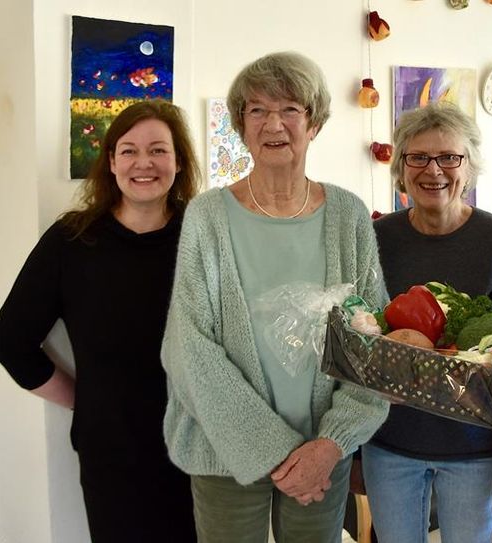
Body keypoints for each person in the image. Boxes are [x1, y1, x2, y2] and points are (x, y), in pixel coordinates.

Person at [160, 51, 390, 543]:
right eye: (257, 110)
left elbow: (374, 343)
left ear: (316, 122)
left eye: (290, 109)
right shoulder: (207, 218)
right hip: (224, 450)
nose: (274, 124)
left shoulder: (348, 215)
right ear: (241, 124)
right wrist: (274, 451)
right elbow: (188, 347)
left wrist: (332, 442)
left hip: (322, 446)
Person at [0, 99, 200, 542]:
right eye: (128, 150)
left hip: (201, 448)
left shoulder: (204, 238)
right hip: (111, 452)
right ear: (111, 161)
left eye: (159, 150)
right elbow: (10, 342)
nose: (144, 163)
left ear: (179, 162)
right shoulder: (71, 241)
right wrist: (83, 399)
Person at [361, 102, 492, 543]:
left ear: (469, 166)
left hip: (474, 447)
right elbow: (358, 326)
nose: (434, 170)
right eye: (418, 157)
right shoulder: (377, 238)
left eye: (449, 157)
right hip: (390, 443)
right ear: (401, 168)